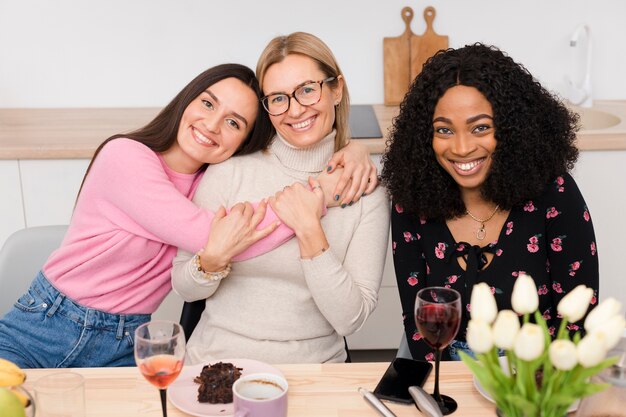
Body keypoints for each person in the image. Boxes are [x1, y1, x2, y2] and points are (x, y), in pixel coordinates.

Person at [0, 63, 377, 368]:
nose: (213, 125)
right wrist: (318, 197)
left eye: (234, 123)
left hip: (127, 340)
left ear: (243, 141)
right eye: (208, 104)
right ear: (186, 100)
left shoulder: (207, 180)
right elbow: (219, 240)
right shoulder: (125, 157)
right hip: (47, 324)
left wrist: (353, 148)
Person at [171, 32, 390, 364]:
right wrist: (211, 262)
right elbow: (185, 288)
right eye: (278, 98)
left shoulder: (363, 189)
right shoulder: (229, 171)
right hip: (215, 362)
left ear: (336, 89)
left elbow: (351, 320)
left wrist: (309, 230)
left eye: (306, 90)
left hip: (316, 370)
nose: (295, 110)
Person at [381, 43, 599, 361]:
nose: (462, 147)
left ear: (513, 129)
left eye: (480, 127)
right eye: (444, 130)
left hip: (535, 372)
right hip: (445, 369)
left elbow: (577, 324)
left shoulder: (555, 194)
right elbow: (418, 328)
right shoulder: (411, 199)